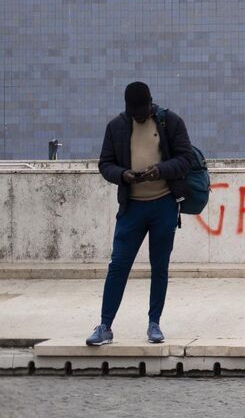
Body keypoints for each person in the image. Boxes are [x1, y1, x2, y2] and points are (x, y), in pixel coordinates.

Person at [86, 82, 193, 346]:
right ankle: (105, 326)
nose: (140, 116)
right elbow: (105, 164)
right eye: (134, 112)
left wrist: (161, 170)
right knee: (118, 266)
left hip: (164, 206)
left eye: (143, 111)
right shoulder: (116, 127)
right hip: (131, 208)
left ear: (150, 103)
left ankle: (154, 324)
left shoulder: (170, 122)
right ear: (127, 108)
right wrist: (123, 174)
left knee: (160, 267)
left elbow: (186, 158)